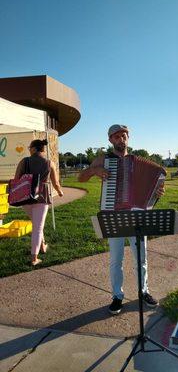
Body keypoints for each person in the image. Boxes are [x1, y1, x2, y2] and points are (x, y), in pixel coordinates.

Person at [78, 124, 165, 315]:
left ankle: (144, 291)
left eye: (123, 135)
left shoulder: (138, 161)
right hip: (113, 214)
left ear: (128, 138)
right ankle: (117, 296)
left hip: (137, 214)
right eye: (116, 136)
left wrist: (156, 192)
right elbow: (80, 178)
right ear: (110, 140)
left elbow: (153, 191)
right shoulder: (103, 159)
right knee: (116, 259)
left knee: (141, 258)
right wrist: (94, 171)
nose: (120, 139)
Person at [14, 139, 64, 266]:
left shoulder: (24, 161)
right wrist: (60, 192)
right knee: (38, 227)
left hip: (25, 198)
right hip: (42, 197)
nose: (28, 149)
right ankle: (34, 258)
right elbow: (56, 183)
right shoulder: (49, 163)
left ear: (34, 148)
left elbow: (16, 179)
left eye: (29, 147)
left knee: (37, 224)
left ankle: (42, 246)